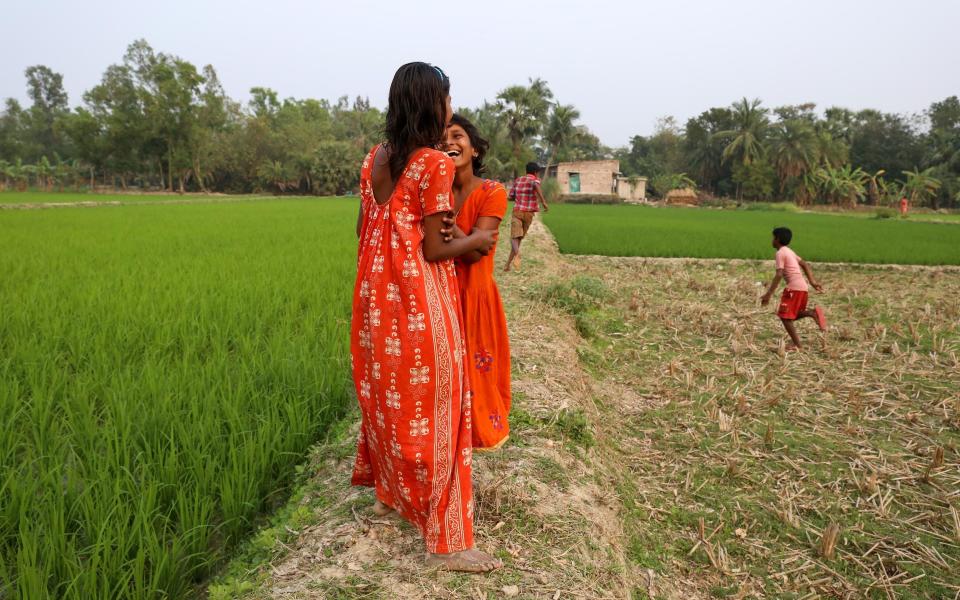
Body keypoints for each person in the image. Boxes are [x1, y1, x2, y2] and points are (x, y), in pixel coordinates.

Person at [350, 62, 501, 572]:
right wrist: (478, 240)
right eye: (447, 99)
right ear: (432, 104)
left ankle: (390, 498)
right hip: (419, 302)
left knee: (388, 399)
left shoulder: (375, 159)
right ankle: (448, 543)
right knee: (441, 408)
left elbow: (363, 230)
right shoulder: (434, 163)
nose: (451, 109)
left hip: (374, 301)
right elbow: (436, 248)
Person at [442, 114, 512, 450]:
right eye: (442, 140)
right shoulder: (435, 193)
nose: (450, 143)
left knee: (477, 373)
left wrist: (443, 217)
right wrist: (466, 236)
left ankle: (478, 434)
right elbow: (471, 243)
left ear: (475, 149)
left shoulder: (492, 192)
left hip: (475, 295)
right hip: (441, 296)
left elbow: (475, 254)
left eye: (458, 136)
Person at [761, 227, 827, 350]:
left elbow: (779, 274)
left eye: (773, 238)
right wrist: (812, 282)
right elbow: (804, 264)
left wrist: (768, 294)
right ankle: (811, 313)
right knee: (792, 315)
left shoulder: (780, 253)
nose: (772, 240)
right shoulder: (789, 251)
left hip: (794, 289)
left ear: (777, 239)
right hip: (803, 287)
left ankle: (797, 344)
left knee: (785, 317)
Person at [503, 162, 548, 272]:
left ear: (526, 171)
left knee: (514, 238)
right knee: (517, 240)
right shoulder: (535, 180)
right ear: (536, 172)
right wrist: (543, 202)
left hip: (518, 211)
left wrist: (515, 197)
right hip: (529, 213)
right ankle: (508, 265)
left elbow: (511, 196)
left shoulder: (518, 180)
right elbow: (536, 185)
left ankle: (513, 258)